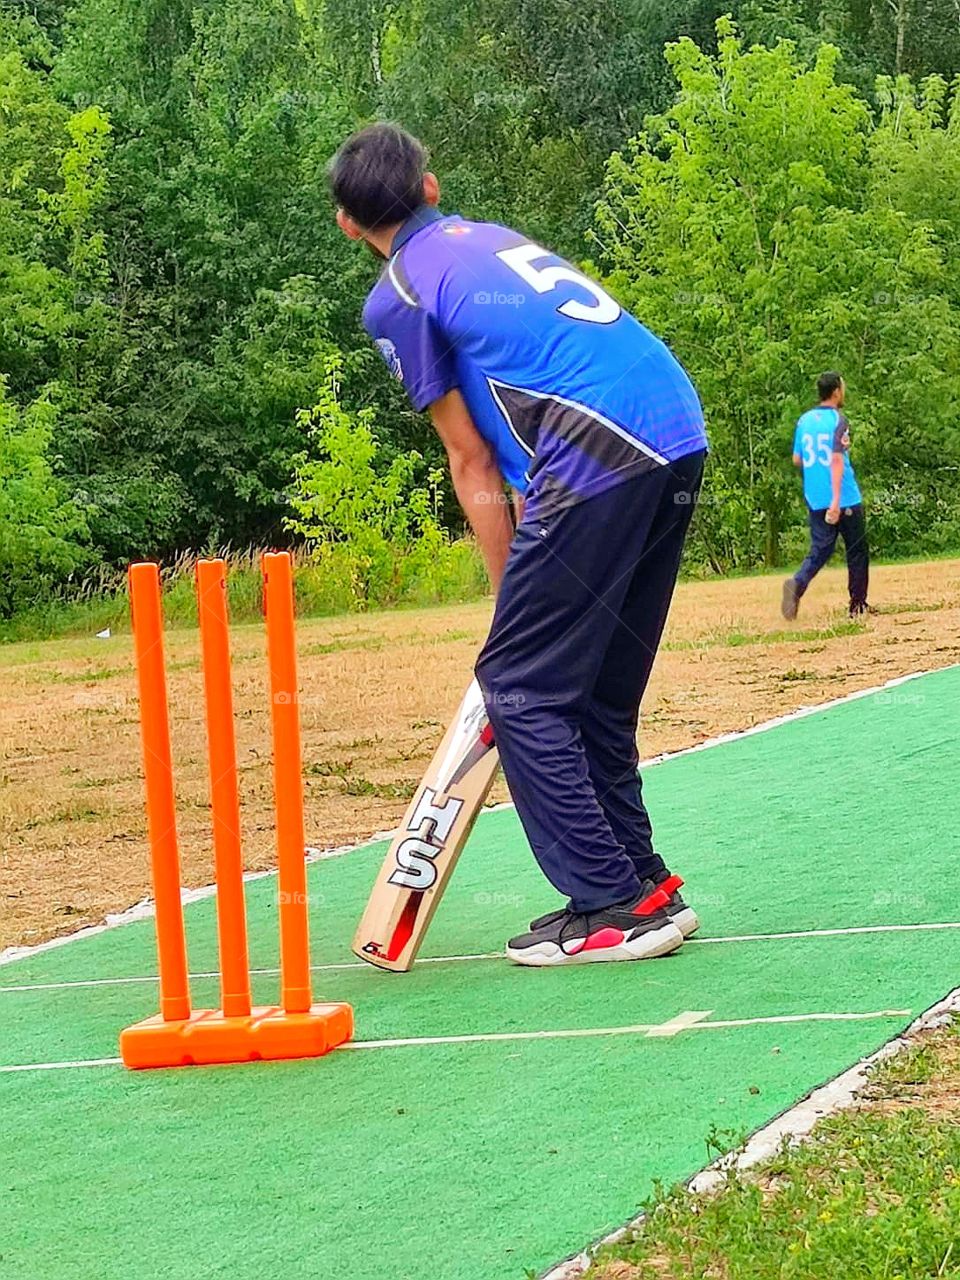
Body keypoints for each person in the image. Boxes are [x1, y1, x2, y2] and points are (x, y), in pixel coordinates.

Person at [330, 123, 708, 967]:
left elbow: (471, 462)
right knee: (597, 691)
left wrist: (513, 605)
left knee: (522, 687)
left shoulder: (398, 295)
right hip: (675, 427)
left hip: (602, 448)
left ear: (347, 223)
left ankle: (612, 908)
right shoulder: (490, 240)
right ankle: (642, 883)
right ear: (431, 188)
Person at [782, 372, 870, 620]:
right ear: (836, 392)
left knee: (820, 549)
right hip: (843, 497)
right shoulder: (838, 421)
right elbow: (836, 459)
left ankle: (797, 583)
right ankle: (857, 604)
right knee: (856, 549)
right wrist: (836, 502)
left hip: (815, 495)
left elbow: (797, 459)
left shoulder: (804, 421)